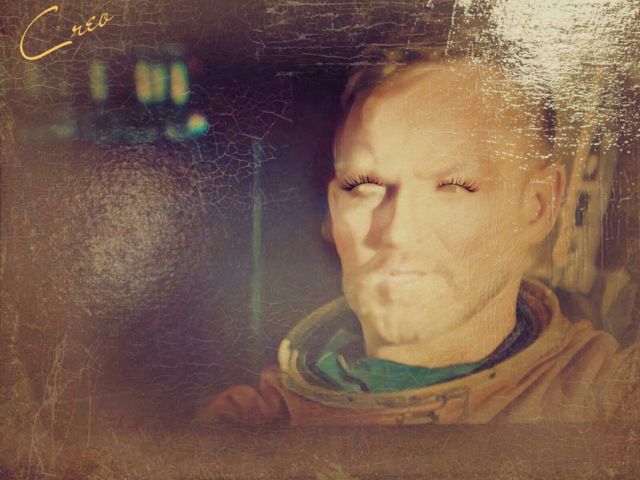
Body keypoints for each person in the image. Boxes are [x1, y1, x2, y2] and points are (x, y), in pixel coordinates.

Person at [197, 48, 639, 426]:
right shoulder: (246, 427)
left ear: (537, 206)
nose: (397, 232)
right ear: (333, 207)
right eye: (363, 185)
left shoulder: (611, 407)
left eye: (453, 186)